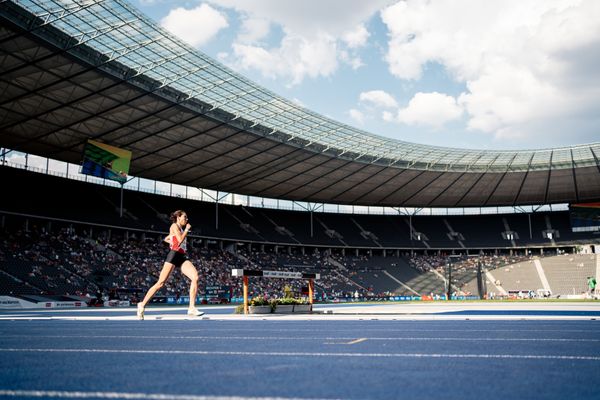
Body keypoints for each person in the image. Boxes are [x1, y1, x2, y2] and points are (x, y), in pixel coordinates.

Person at [137, 210, 204, 320]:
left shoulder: (179, 228)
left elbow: (166, 238)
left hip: (181, 256)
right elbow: (180, 239)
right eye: (185, 217)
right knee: (161, 283)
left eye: (187, 218)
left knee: (195, 277)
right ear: (178, 217)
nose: (187, 220)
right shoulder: (174, 225)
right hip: (173, 255)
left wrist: (171, 239)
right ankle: (142, 304)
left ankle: (191, 307)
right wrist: (186, 230)